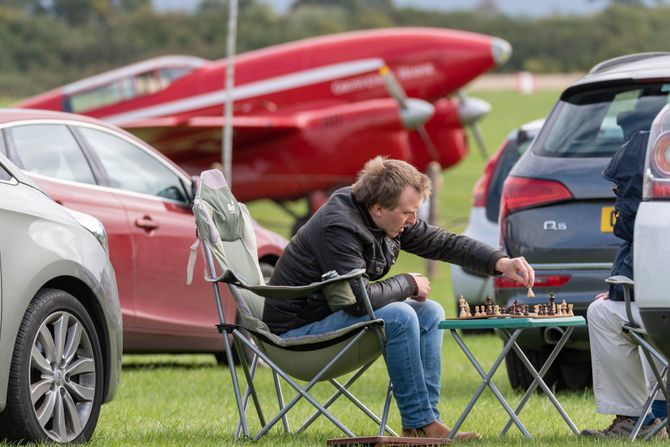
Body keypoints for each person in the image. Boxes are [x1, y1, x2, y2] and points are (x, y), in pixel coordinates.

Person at [262, 156, 535, 441]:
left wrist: (501, 262)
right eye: (408, 213)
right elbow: (358, 302)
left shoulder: (386, 218)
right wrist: (407, 283)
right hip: (296, 339)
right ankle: (421, 425)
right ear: (378, 208)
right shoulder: (339, 227)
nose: (413, 220)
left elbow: (442, 242)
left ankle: (423, 423)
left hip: (329, 322)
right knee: (400, 315)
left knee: (429, 310)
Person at [581, 129, 667, 439]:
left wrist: (621, 294)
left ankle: (639, 419)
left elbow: (634, 231)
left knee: (604, 314)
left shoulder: (651, 209)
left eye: (619, 185)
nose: (615, 190)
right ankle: (658, 414)